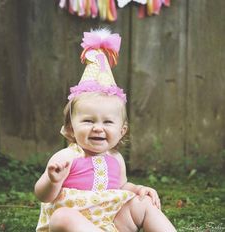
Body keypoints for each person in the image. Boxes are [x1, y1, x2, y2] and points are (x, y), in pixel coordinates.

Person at [35, 28, 177, 232]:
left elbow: (121, 186)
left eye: (108, 122)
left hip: (111, 221)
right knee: (62, 217)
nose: (98, 128)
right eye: (88, 121)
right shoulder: (66, 157)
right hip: (76, 225)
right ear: (70, 129)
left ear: (122, 131)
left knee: (143, 204)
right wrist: (52, 180)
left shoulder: (116, 158)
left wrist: (137, 189)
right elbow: (43, 195)